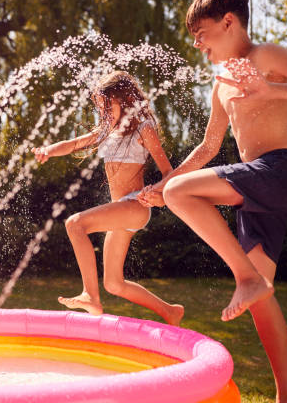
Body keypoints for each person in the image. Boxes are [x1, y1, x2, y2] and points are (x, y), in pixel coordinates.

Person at [138, 0, 287, 401]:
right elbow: (208, 147)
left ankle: (246, 279)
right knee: (261, 295)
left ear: (228, 21)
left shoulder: (265, 54)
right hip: (261, 188)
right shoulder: (221, 84)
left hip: (281, 170)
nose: (197, 44)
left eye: (201, 33)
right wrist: (164, 184)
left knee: (186, 197)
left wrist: (272, 91)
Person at [31, 71, 184, 326]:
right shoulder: (108, 130)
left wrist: (155, 191)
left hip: (135, 204)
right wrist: (49, 150)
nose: (104, 114)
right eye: (100, 109)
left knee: (75, 224)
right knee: (114, 283)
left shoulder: (143, 128)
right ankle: (170, 311)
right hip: (120, 209)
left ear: (124, 100)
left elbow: (169, 172)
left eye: (107, 107)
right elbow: (74, 143)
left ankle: (90, 295)